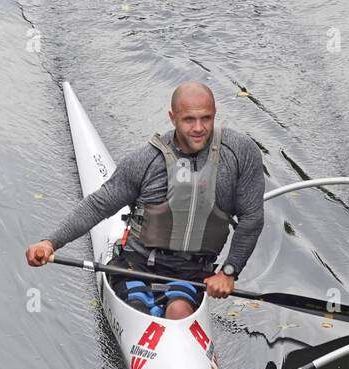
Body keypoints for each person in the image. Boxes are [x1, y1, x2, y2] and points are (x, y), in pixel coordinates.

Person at [25, 82, 265, 320]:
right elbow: (98, 205)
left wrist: (229, 271)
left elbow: (252, 218)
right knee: (138, 307)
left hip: (193, 273)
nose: (199, 127)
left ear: (215, 115)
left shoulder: (240, 154)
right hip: (136, 266)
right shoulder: (146, 161)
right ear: (172, 118)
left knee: (178, 310)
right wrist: (51, 243)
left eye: (206, 118)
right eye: (189, 119)